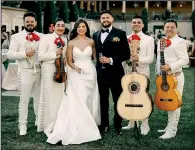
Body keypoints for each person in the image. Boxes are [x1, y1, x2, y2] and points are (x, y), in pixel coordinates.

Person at [47, 19, 101, 145]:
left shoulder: (92, 41)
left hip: (90, 73)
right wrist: (76, 68)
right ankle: (77, 126)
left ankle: (88, 123)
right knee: (79, 98)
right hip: (76, 73)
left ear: (86, 28)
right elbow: (69, 61)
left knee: (88, 98)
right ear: (76, 29)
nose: (81, 29)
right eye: (78, 27)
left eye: (83, 26)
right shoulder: (71, 43)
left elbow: (94, 57)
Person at [93, 10, 130, 135]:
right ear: (100, 20)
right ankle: (104, 125)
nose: (105, 19)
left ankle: (118, 125)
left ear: (112, 19)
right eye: (103, 18)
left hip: (116, 73)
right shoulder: (95, 34)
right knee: (103, 100)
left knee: (117, 100)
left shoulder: (120, 33)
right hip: (101, 73)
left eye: (107, 17)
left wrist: (111, 60)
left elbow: (126, 54)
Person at [7, 12, 44, 135]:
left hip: (40, 71)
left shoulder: (42, 36)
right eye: (27, 21)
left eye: (32, 21)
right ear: (24, 23)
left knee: (39, 99)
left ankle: (39, 121)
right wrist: (25, 54)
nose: (29, 23)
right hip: (24, 71)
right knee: (24, 100)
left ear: (36, 23)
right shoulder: (16, 37)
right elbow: (10, 55)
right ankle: (23, 126)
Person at [156, 19, 189, 139]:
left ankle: (172, 130)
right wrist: (158, 72)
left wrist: (170, 66)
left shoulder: (180, 42)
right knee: (168, 102)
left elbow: (185, 60)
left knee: (174, 103)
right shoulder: (161, 41)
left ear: (176, 29)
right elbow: (159, 58)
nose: (169, 29)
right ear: (164, 28)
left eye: (172, 27)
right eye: (167, 27)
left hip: (175, 77)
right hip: (164, 78)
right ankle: (168, 126)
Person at [122, 16, 154, 135]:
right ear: (131, 24)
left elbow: (151, 58)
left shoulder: (148, 39)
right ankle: (131, 121)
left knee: (143, 97)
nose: (136, 24)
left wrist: (139, 58)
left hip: (142, 72)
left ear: (143, 25)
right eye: (134, 22)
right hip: (129, 72)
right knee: (130, 96)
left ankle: (145, 124)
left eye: (139, 22)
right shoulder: (126, 38)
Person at [37, 18, 67, 135]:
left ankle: (58, 122)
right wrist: (55, 54)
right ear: (53, 27)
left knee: (59, 97)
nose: (60, 27)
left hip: (60, 70)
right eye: (58, 25)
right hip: (49, 69)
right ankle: (47, 124)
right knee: (49, 97)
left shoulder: (65, 39)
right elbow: (40, 56)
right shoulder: (46, 38)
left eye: (63, 25)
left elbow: (64, 56)